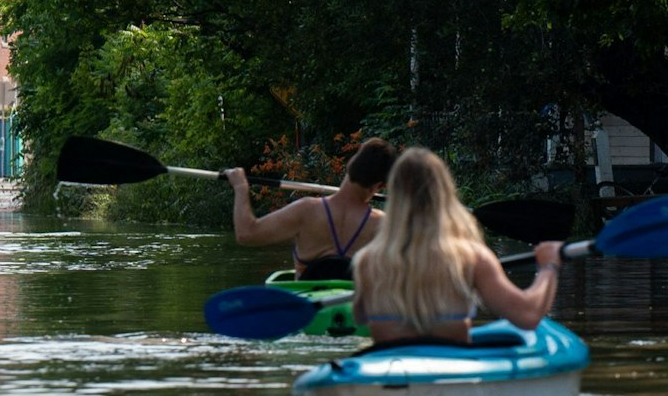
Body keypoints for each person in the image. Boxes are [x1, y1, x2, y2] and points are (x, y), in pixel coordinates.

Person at [350, 146, 563, 344]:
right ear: (445, 194)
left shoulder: (366, 261)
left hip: (387, 373)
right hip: (451, 372)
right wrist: (548, 266)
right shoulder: (470, 257)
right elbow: (528, 316)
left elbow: (359, 318)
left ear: (394, 197)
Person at [224, 138, 397, 280]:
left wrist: (240, 187)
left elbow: (246, 233)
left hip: (308, 312)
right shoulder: (381, 223)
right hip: (354, 313)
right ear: (380, 185)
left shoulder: (307, 210)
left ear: (350, 164)